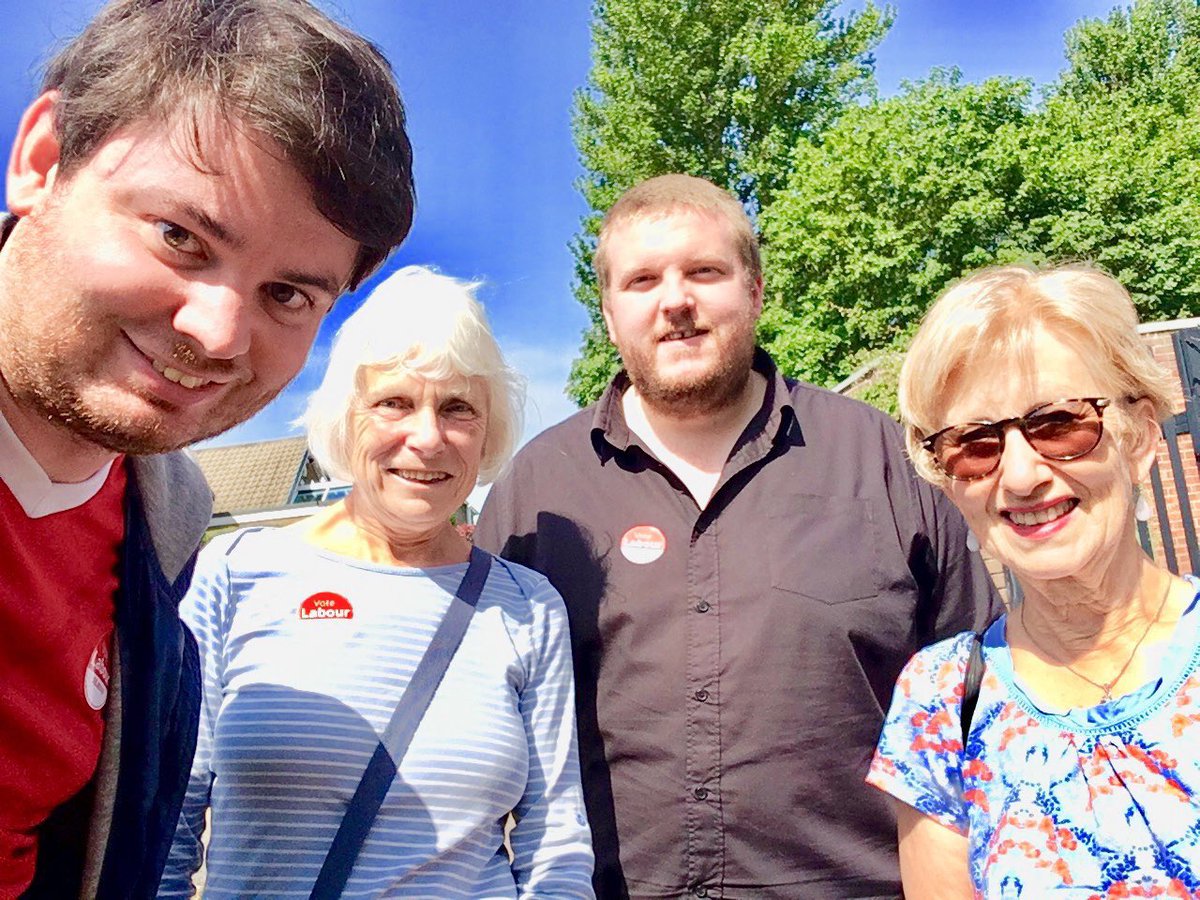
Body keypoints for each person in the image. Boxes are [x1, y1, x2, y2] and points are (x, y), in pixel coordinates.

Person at [474, 173, 999, 898]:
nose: (675, 301)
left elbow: (979, 706)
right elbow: (477, 724)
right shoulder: (537, 492)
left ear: (754, 291)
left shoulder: (884, 464)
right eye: (642, 280)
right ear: (610, 314)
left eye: (704, 272)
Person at [0, 0, 415, 896]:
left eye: (288, 295)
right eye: (180, 236)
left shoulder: (163, 533)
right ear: (41, 160)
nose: (219, 333)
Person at [160, 266, 595, 898]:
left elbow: (555, 833)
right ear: (347, 417)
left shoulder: (527, 607)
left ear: (488, 431)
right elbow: (166, 815)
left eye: (458, 409)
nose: (428, 438)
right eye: (395, 402)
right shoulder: (236, 572)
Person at [868, 263, 1199, 896]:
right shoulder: (939, 702)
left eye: (1059, 424)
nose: (1021, 476)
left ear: (1139, 440)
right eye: (976, 445)